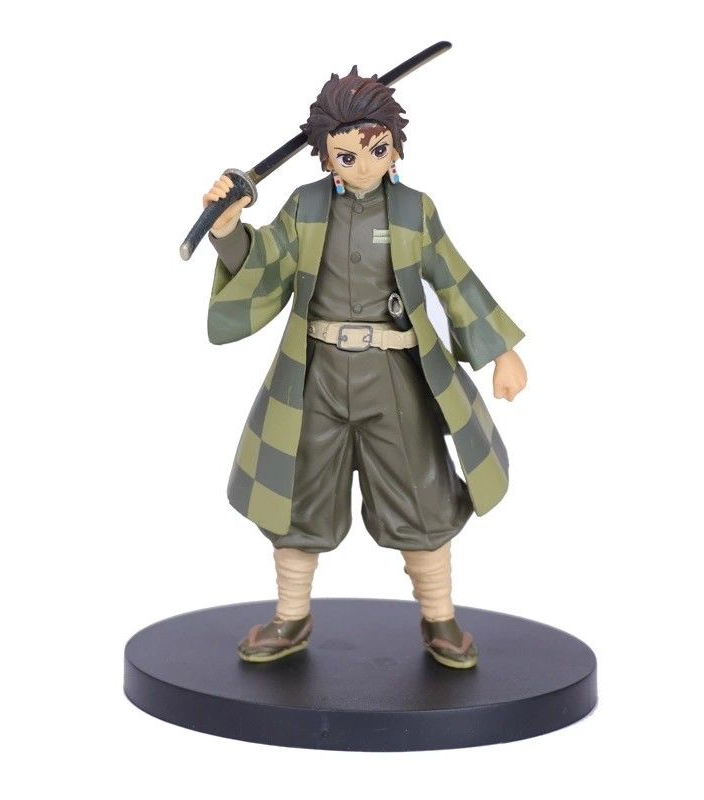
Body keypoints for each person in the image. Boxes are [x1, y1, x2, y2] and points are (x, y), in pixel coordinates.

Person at [203, 67, 527, 669]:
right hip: (315, 376)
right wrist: (228, 229)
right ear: (326, 157)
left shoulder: (413, 211)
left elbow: (453, 278)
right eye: (346, 156)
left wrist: (499, 350)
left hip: (395, 377)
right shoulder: (305, 207)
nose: (362, 165)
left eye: (377, 150)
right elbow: (266, 263)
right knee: (296, 493)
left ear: (396, 148)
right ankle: (291, 616)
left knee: (421, 493)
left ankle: (440, 617)